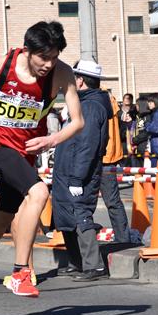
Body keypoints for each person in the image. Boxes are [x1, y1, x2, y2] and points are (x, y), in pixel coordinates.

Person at [0, 21, 83, 301]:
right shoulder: (1, 65)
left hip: (26, 152)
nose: (48, 64)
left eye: (54, 57)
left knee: (4, 213)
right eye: (43, 57)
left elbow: (78, 121)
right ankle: (20, 272)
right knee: (39, 192)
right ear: (27, 51)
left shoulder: (62, 74)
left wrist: (51, 140)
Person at [53, 60, 111, 281]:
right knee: (67, 215)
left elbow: (87, 146)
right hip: (68, 170)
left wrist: (77, 178)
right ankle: (77, 263)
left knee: (80, 215)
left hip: (78, 173)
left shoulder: (91, 107)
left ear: (80, 81)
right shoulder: (83, 104)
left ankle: (94, 266)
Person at [99, 70, 130, 243]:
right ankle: (123, 238)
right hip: (105, 155)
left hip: (102, 156)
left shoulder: (98, 96)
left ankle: (123, 238)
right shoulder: (107, 96)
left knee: (110, 200)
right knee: (112, 201)